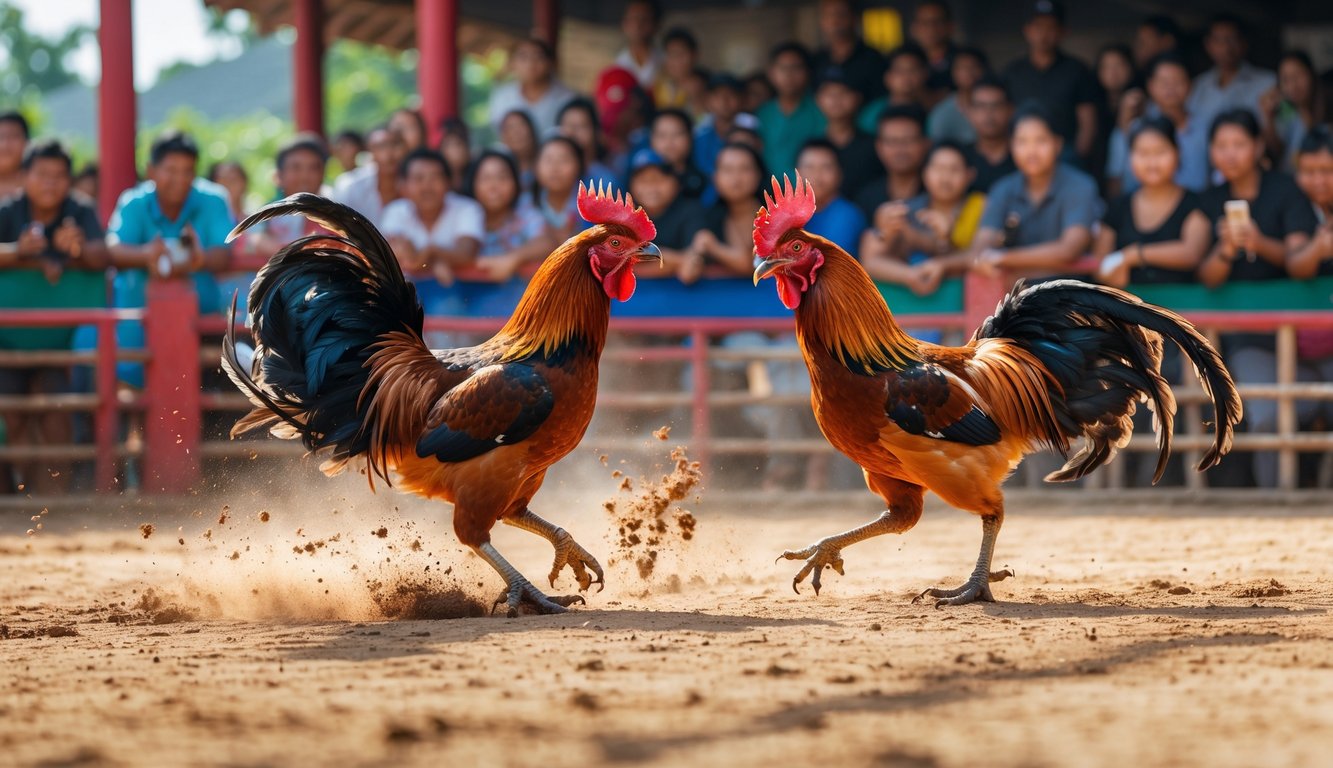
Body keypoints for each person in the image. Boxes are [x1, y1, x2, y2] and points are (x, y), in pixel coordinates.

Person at [1196, 109, 1317, 488]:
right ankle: (1273, 497)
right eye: (1221, 146)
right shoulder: (1208, 200)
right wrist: (1228, 249)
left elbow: (1300, 262)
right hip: (1246, 339)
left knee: (1310, 405)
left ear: (1259, 146)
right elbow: (1206, 275)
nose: (1230, 154)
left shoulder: (1285, 190)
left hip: (1307, 337)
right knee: (1265, 415)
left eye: (1239, 144)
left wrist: (1258, 242)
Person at [0, 140, 109, 495]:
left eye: (59, 176)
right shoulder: (8, 211)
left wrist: (76, 249)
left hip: (59, 341)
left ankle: (52, 500)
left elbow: (101, 254)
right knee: (12, 412)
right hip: (9, 343)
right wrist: (18, 252)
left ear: (69, 180)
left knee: (57, 406)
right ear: (24, 176)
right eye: (42, 174)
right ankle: (22, 492)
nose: (50, 183)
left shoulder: (80, 209)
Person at [106, 131, 235, 388]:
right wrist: (146, 255)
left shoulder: (214, 198)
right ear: (150, 170)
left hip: (202, 324)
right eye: (171, 169)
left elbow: (224, 254)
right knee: (132, 400)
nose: (180, 178)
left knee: (210, 397)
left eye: (188, 170)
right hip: (138, 326)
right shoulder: (133, 202)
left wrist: (196, 260)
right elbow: (113, 249)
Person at [969, 105, 1101, 281]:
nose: (1031, 151)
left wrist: (1004, 258)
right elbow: (980, 248)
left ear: (1058, 144)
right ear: (1011, 146)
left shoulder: (1080, 185)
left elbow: (1070, 249)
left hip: (1069, 297)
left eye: (1040, 140)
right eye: (1022, 141)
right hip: (1014, 298)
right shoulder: (1002, 189)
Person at [1094, 116, 1211, 290]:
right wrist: (1110, 275)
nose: (1152, 162)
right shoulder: (1118, 207)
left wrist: (1134, 255)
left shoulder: (1195, 203)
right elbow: (1099, 266)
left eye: (1160, 152)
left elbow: (1192, 253)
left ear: (1177, 153)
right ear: (1130, 157)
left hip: (1185, 310)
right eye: (1143, 153)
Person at [860, 140, 985, 297]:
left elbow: (983, 255)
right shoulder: (907, 210)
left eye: (954, 170)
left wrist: (943, 245)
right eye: (939, 169)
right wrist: (909, 274)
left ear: (969, 175)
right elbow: (871, 261)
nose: (945, 178)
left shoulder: (983, 208)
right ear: (925, 173)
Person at [381, 148, 483, 318]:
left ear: (448, 182)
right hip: (407, 296)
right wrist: (435, 263)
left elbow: (466, 253)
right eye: (419, 178)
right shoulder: (396, 211)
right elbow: (397, 253)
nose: (427, 186)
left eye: (435, 177)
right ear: (404, 185)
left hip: (460, 296)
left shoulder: (467, 208)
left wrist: (431, 252)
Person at [1001, 0, 1098, 167]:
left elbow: (1087, 122)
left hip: (1066, 154)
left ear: (1062, 32)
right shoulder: (1012, 72)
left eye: (1051, 27)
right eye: (1038, 27)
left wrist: (1078, 157)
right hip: (1023, 152)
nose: (1044, 34)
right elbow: (1005, 117)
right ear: (1027, 30)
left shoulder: (1077, 70)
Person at [1106, 53, 1210, 197]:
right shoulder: (1132, 129)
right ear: (1150, 86)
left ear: (1190, 85)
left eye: (1177, 81)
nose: (1171, 88)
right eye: (1164, 82)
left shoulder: (1207, 128)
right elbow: (1116, 181)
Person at [238, 133, 331, 262]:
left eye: (313, 168)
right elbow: (256, 239)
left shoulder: (336, 211)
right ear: (279, 175)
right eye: (296, 167)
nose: (305, 176)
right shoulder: (267, 213)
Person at [464, 150, 552, 286]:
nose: (493, 186)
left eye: (502, 177)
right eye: (485, 178)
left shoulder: (525, 214)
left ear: (516, 183)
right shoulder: (463, 217)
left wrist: (512, 259)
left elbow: (547, 242)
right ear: (473, 183)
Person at [687, 142, 767, 279]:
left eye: (744, 169)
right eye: (727, 170)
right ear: (715, 178)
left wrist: (713, 246)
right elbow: (688, 273)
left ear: (758, 175)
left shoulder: (776, 216)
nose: (736, 178)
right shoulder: (706, 217)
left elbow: (752, 265)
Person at [1187, 15, 1277, 132]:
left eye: (1232, 39)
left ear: (1244, 43)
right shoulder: (1197, 86)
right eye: (1218, 40)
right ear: (1208, 45)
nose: (1226, 47)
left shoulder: (1268, 83)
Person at [626, 151, 705, 281]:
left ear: (676, 183)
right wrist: (674, 259)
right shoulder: (624, 216)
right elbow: (618, 265)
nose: (651, 187)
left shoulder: (691, 211)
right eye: (643, 181)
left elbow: (690, 271)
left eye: (658, 179)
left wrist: (655, 257)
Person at [756, 42, 827, 179]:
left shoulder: (821, 110)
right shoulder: (762, 114)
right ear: (771, 73)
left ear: (808, 72)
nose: (789, 75)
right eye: (783, 68)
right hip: (769, 192)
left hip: (812, 190)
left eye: (796, 68)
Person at [815, 67, 881, 199]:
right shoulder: (812, 146)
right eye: (829, 94)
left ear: (857, 98)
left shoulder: (873, 145)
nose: (836, 100)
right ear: (818, 99)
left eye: (843, 93)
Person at [853, 104, 928, 220]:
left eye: (908, 140)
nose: (900, 149)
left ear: (925, 144)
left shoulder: (938, 195)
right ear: (879, 147)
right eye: (892, 141)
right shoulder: (866, 199)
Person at [488, 38, 575, 135]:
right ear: (512, 63)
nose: (531, 64)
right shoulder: (503, 97)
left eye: (538, 57)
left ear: (551, 63)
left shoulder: (566, 99)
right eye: (523, 57)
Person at [1260, 51, 1328, 174]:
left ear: (1311, 74)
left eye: (1298, 76)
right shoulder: (1286, 113)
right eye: (1286, 80)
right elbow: (1274, 153)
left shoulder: (1327, 107)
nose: (1293, 85)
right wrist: (1268, 117)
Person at [796, 138, 868, 253]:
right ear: (797, 173)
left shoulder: (848, 216)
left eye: (826, 167)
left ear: (839, 173)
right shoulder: (789, 213)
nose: (817, 176)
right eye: (809, 168)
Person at [811, 0, 886, 103]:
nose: (835, 21)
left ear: (854, 18)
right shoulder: (817, 60)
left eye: (841, 15)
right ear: (822, 22)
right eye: (829, 16)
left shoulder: (872, 59)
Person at [331, 125, 405, 228]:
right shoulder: (350, 186)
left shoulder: (415, 184)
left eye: (394, 144)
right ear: (370, 152)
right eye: (381, 146)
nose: (389, 153)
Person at [528, 136, 589, 245]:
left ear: (579, 166)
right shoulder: (526, 205)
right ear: (535, 167)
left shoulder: (592, 204)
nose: (555, 168)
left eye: (563, 160)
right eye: (548, 160)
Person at [857, 44, 931, 133]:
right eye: (899, 71)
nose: (906, 77)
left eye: (913, 70)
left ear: (925, 74)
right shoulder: (872, 114)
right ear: (887, 77)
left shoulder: (936, 111)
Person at [963, 76, 1017, 193]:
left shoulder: (1023, 158)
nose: (989, 114)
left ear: (1010, 110)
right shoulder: (960, 158)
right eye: (981, 106)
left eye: (996, 105)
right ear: (969, 112)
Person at [927, 46, 989, 144]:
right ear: (952, 72)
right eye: (962, 68)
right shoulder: (942, 113)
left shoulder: (997, 104)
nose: (968, 72)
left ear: (984, 70)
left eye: (974, 66)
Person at [693, 74, 750, 176]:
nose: (724, 101)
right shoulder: (699, 133)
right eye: (717, 96)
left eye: (731, 95)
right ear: (707, 100)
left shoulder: (753, 129)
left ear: (741, 99)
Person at [649, 109, 710, 201]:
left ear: (690, 136)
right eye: (662, 135)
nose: (669, 142)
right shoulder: (641, 180)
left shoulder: (704, 176)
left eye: (677, 134)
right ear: (651, 139)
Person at [556, 99, 617, 188]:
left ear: (596, 132)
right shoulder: (548, 174)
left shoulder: (605, 182)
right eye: (567, 125)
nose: (572, 132)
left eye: (581, 126)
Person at [909, 0, 959, 98]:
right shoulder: (902, 58)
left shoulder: (961, 59)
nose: (931, 28)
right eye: (924, 23)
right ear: (914, 28)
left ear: (950, 26)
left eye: (937, 22)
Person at [614, 0, 662, 89]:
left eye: (644, 19)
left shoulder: (666, 61)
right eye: (633, 19)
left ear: (656, 24)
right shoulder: (618, 65)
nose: (638, 25)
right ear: (624, 24)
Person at [656, 28, 698, 110]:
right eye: (671, 54)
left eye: (681, 54)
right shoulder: (657, 88)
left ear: (694, 55)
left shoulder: (703, 88)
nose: (676, 61)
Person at [497, 109, 540, 188]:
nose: (517, 132)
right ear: (502, 137)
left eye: (521, 125)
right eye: (510, 127)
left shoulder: (545, 166)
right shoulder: (497, 169)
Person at [0, 111, 30, 199]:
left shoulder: (40, 186)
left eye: (13, 136)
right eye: (0, 137)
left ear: (27, 143)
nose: (4, 145)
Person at [438, 118, 472, 185]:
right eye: (448, 145)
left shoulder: (476, 177)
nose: (454, 150)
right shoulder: (437, 180)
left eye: (458, 144)